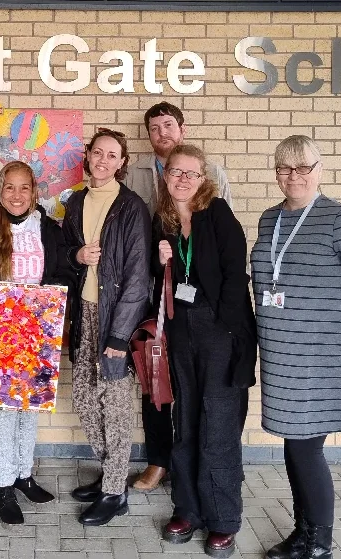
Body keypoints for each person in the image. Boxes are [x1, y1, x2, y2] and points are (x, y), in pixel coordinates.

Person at [252, 135, 341, 559]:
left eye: (303, 167)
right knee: (295, 444)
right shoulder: (269, 219)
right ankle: (303, 532)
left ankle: (319, 542)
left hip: (320, 358)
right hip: (280, 357)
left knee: (305, 447)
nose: (293, 176)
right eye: (284, 168)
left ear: (319, 170)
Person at [152, 144, 257, 558]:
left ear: (203, 180)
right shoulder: (163, 221)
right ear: (166, 175)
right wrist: (160, 259)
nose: (182, 178)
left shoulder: (220, 217)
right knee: (186, 422)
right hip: (181, 332)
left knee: (219, 429)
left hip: (220, 331)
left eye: (191, 174)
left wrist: (234, 340)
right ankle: (188, 510)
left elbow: (235, 278)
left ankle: (223, 521)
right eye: (175, 171)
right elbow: (158, 282)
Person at [124, 101, 235, 491]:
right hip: (151, 293)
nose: (162, 133)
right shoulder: (136, 173)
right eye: (154, 128)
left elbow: (224, 244)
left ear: (182, 130)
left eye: (168, 125)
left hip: (197, 303)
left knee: (194, 387)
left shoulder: (212, 173)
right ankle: (158, 460)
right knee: (156, 380)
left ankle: (197, 461)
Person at [0, 161, 74, 524]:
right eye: (10, 187)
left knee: (28, 410)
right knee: (2, 413)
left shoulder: (50, 230)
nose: (17, 195)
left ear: (35, 192)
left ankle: (23, 474)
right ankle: (3, 484)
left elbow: (62, 272)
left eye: (25, 188)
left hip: (35, 335)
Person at [64, 129, 151, 527]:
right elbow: (64, 257)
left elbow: (137, 276)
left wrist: (119, 336)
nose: (102, 160)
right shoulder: (77, 201)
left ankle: (116, 494)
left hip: (115, 315)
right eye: (97, 152)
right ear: (88, 156)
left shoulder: (131, 207)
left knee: (114, 405)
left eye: (111, 155)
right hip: (82, 312)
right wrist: (77, 254)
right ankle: (110, 473)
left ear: (121, 163)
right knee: (84, 397)